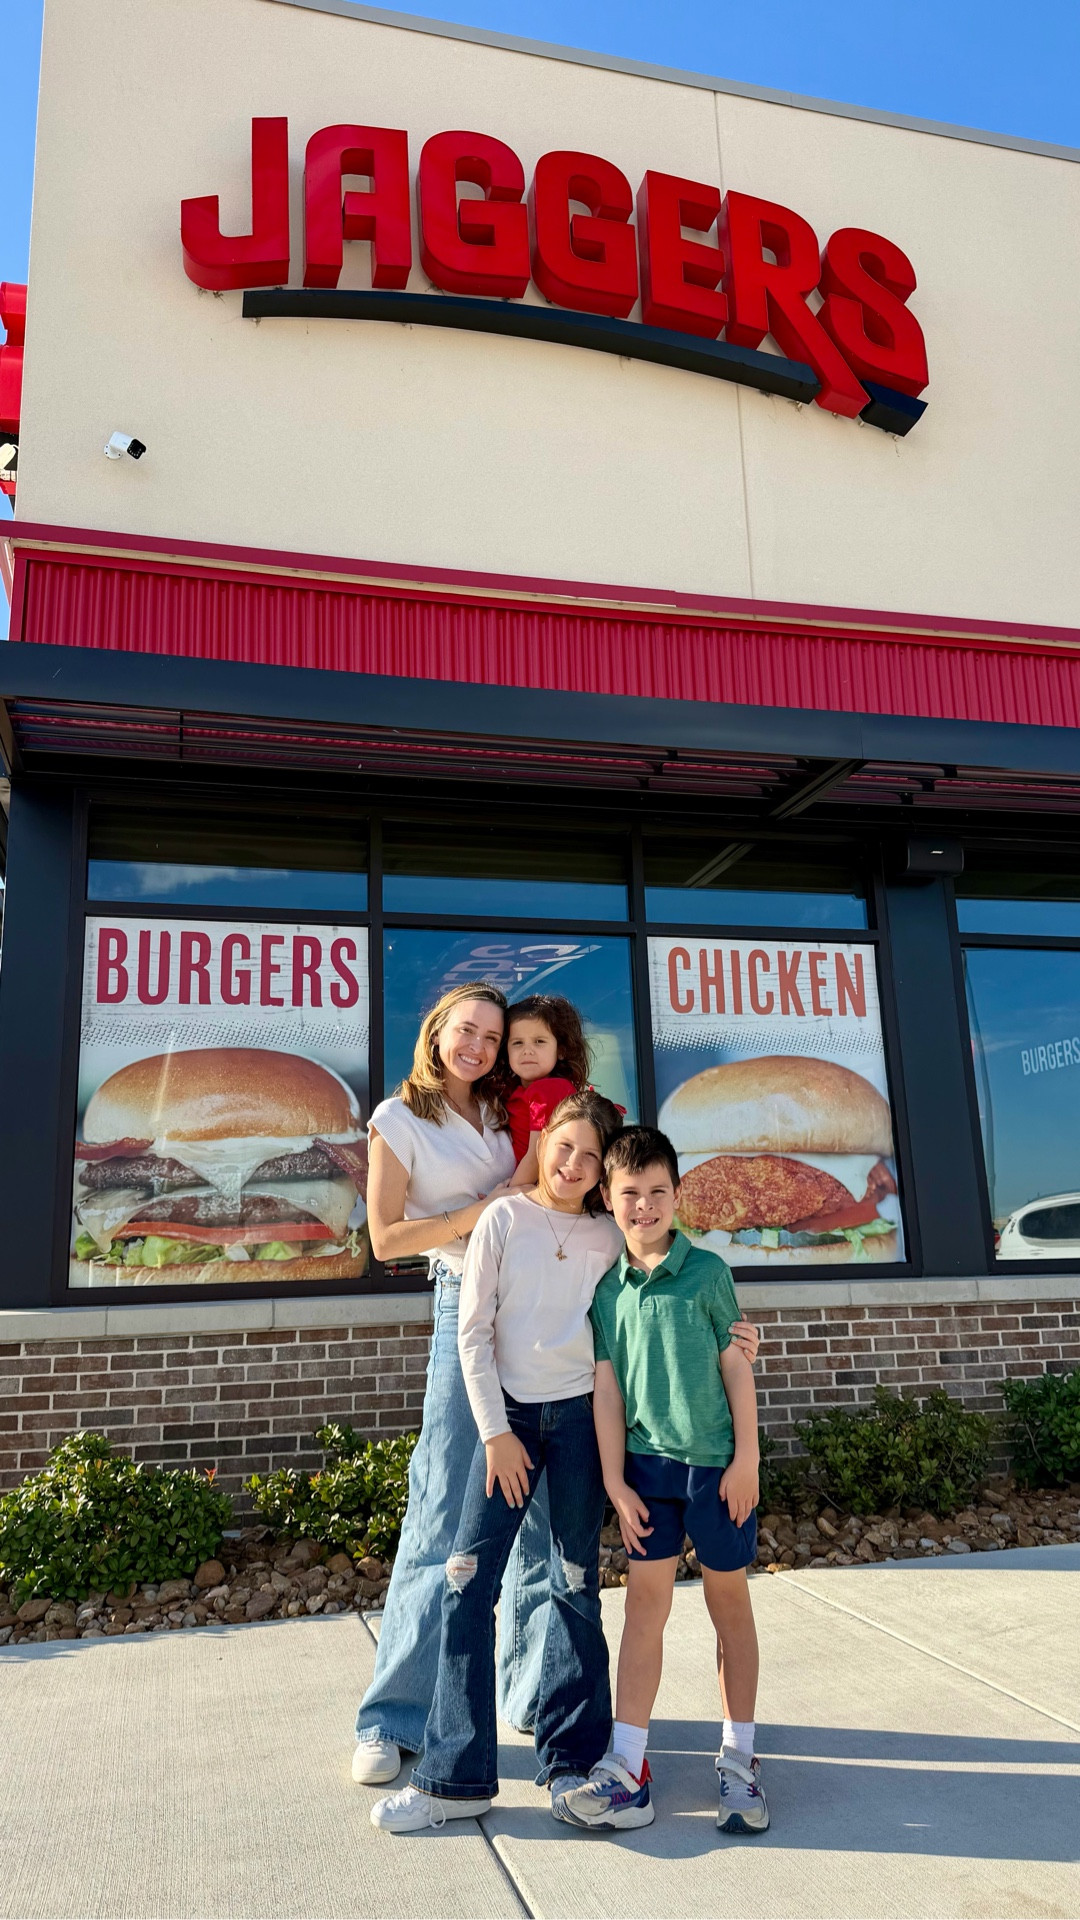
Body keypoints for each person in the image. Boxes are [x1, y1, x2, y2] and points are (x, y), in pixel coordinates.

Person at [369, 1091, 626, 1832]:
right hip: (508, 1423)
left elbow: (621, 1340)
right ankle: (458, 1777)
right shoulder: (503, 1219)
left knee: (576, 1586)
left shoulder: (606, 1238)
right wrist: (495, 1434)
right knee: (464, 1582)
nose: (573, 1164)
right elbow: (471, 1334)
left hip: (576, 1423)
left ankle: (573, 1765)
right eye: (564, 1145)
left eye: (590, 1156)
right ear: (542, 1141)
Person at [352, 982, 547, 1784]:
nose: (478, 1047)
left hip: (539, 1304)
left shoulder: (506, 1114)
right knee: (440, 1506)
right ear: (437, 1033)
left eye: (493, 1038)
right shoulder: (398, 1119)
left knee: (535, 1510)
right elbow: (386, 1235)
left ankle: (535, 1695)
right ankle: (391, 1719)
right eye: (466, 1031)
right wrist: (482, 1211)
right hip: (463, 1299)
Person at [561, 1126, 768, 1836]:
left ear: (678, 1196)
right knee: (643, 1611)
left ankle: (739, 1762)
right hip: (647, 1473)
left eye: (657, 1193)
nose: (643, 1206)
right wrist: (616, 1482)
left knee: (728, 1609)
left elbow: (736, 1364)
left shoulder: (708, 1273)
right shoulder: (607, 1291)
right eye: (629, 1195)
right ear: (608, 1200)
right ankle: (629, 1768)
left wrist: (748, 1461)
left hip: (716, 1469)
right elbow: (608, 1391)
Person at [504, 994, 590, 1187]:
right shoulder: (516, 1090)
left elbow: (537, 1155)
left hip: (533, 1189)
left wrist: (505, 1196)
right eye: (518, 1043)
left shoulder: (550, 1090)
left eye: (539, 1041)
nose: (527, 1050)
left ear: (561, 1050)